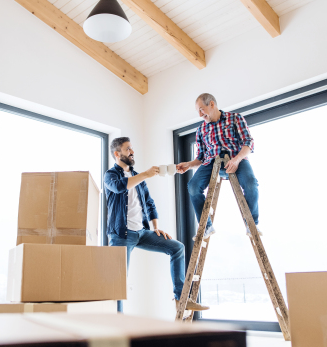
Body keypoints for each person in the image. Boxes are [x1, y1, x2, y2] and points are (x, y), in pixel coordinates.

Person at [104, 137, 209, 311]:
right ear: (117, 153)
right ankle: (117, 319)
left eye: (132, 148)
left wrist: (156, 228)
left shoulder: (137, 176)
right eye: (128, 149)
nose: (132, 151)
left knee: (177, 248)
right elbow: (119, 187)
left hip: (142, 232)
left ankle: (180, 299)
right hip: (121, 234)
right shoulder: (110, 175)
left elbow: (149, 203)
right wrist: (145, 174)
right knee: (118, 281)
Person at [176, 93, 260, 239]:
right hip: (211, 163)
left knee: (251, 184)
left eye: (202, 109)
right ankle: (206, 226)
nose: (200, 114)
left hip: (236, 159)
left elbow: (248, 143)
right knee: (193, 187)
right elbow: (201, 158)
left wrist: (237, 159)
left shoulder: (235, 118)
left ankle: (251, 224)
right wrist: (189, 165)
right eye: (198, 112)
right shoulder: (201, 130)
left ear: (212, 104)